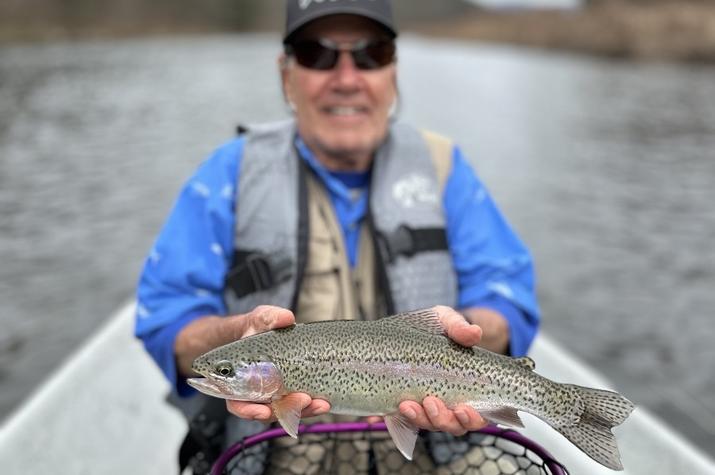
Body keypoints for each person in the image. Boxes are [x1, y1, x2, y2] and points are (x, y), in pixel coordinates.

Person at [135, 0, 540, 472]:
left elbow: (509, 302)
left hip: (431, 448)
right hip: (273, 459)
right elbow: (166, 320)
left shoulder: (447, 170)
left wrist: (459, 342)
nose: (346, 78)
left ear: (393, 71)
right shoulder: (228, 173)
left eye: (370, 53)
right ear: (286, 75)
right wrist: (228, 333)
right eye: (317, 53)